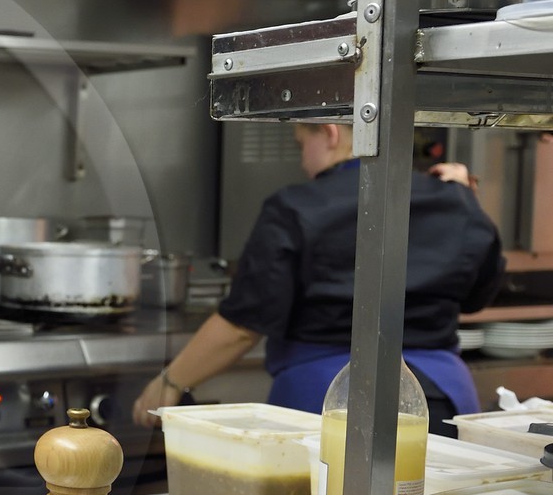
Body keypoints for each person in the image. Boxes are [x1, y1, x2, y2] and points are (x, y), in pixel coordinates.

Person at [132, 122, 504, 433]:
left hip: (328, 400)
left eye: (301, 145)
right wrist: (467, 200)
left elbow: (244, 325)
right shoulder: (457, 200)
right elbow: (476, 298)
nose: (303, 162)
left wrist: (170, 382)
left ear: (330, 134)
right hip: (442, 399)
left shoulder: (295, 206)